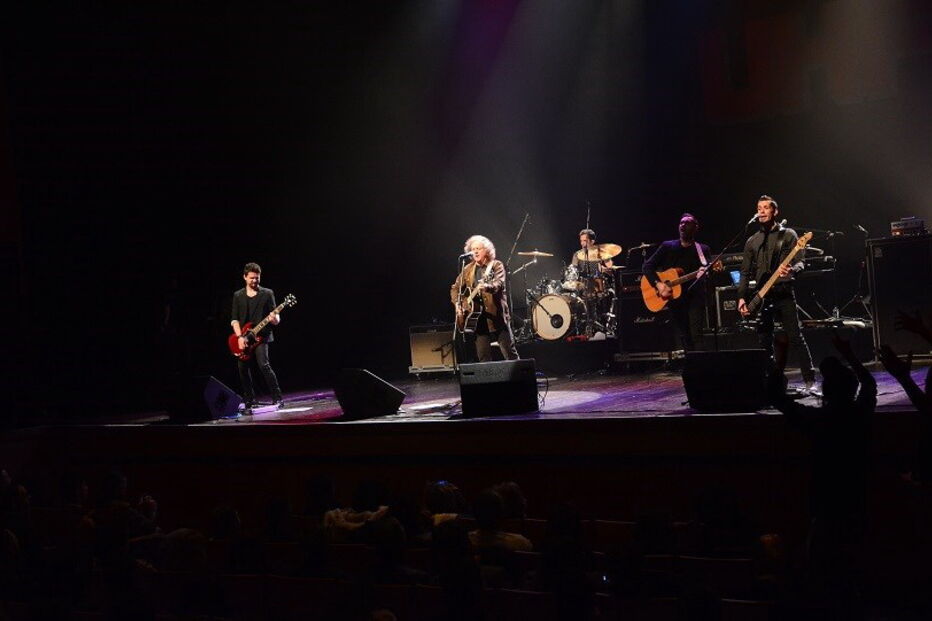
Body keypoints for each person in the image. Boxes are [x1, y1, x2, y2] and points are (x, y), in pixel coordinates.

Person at [737, 196, 817, 392]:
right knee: (764, 340)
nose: (762, 211)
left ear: (775, 212)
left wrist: (792, 271)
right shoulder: (752, 241)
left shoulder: (788, 235)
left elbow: (800, 262)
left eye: (766, 208)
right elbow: (745, 272)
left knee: (796, 337)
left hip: (784, 292)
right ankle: (773, 381)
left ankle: (810, 381)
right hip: (762, 296)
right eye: (759, 208)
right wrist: (741, 297)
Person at [642, 213, 711, 351]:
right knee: (684, 335)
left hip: (694, 297)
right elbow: (647, 267)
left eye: (687, 223)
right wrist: (659, 284)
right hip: (675, 299)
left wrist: (708, 272)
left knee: (697, 334)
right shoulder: (668, 246)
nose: (683, 225)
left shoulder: (702, 249)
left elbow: (707, 271)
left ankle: (701, 366)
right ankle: (691, 365)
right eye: (681, 223)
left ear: (696, 227)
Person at [450, 235, 519, 362]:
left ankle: (519, 379)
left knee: (510, 354)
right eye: (473, 249)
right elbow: (455, 288)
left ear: (486, 250)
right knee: (483, 358)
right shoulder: (468, 269)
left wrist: (486, 286)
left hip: (497, 317)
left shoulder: (496, 265)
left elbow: (498, 284)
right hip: (478, 320)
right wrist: (457, 305)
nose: (475, 251)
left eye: (479, 248)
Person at [231, 262, 284, 412]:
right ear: (245, 277)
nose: (255, 281)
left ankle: (277, 397)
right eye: (252, 278)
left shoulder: (268, 293)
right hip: (244, 337)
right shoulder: (238, 295)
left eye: (257, 278)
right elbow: (234, 319)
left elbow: (276, 318)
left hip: (262, 336)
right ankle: (250, 399)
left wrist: (275, 318)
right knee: (242, 368)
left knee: (264, 365)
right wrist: (239, 337)